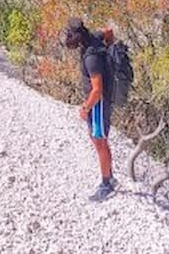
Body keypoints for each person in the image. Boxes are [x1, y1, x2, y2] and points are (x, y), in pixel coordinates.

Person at [63, 15, 115, 201]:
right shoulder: (94, 37)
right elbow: (108, 30)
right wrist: (109, 44)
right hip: (100, 100)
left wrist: (85, 109)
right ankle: (109, 175)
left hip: (99, 103)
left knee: (99, 140)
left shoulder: (91, 58)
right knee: (99, 139)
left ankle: (106, 183)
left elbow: (97, 90)